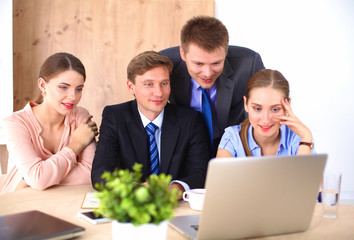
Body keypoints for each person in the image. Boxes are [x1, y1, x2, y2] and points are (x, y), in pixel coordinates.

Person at [91, 51, 209, 199]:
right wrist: (135, 189)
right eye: (149, 84)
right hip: (132, 207)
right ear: (131, 86)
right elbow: (100, 173)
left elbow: (200, 172)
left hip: (175, 206)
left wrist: (176, 189)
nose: (159, 93)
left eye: (164, 83)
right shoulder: (115, 116)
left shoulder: (190, 120)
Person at [160, 16, 265, 156]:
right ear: (182, 54)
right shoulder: (165, 65)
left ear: (225, 53)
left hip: (234, 146)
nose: (207, 73)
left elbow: (268, 107)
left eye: (216, 63)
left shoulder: (249, 63)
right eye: (198, 64)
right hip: (186, 147)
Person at [0, 52, 98, 194]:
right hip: (20, 204)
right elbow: (38, 179)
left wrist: (34, 178)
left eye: (79, 89)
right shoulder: (15, 123)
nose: (73, 97)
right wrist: (77, 144)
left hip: (61, 202)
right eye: (63, 87)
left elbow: (91, 174)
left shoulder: (80, 116)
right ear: (42, 85)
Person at [216, 69, 315, 158]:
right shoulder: (232, 137)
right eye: (258, 108)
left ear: (287, 106)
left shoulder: (298, 137)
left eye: (275, 109)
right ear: (246, 104)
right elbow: (219, 178)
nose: (266, 120)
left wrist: (306, 139)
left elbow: (309, 178)